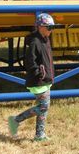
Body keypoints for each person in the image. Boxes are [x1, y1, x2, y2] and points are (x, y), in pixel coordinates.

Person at [8, 12, 55, 141]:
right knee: (43, 107)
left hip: (46, 79)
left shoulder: (45, 39)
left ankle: (40, 135)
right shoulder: (35, 42)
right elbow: (29, 61)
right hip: (39, 80)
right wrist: (39, 72)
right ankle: (16, 120)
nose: (51, 30)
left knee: (44, 108)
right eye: (49, 27)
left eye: (53, 27)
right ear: (41, 27)